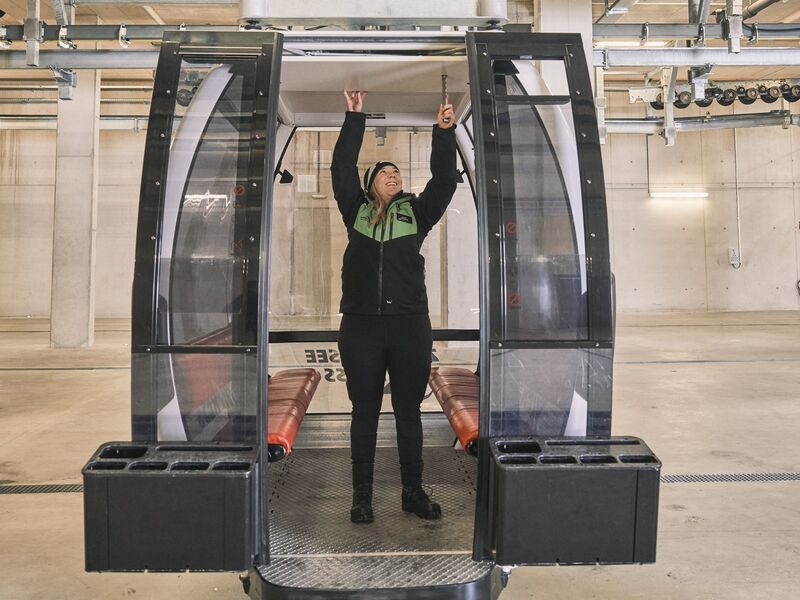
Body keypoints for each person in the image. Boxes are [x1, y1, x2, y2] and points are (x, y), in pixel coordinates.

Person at [331, 89, 457, 524]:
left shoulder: (416, 215)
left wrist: (444, 133)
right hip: (361, 327)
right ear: (371, 184)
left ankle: (412, 492)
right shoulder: (355, 212)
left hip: (409, 326)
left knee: (408, 411)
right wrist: (354, 118)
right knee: (364, 411)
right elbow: (341, 168)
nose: (393, 174)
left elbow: (443, 183)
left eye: (398, 171)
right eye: (385, 171)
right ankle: (361, 497)